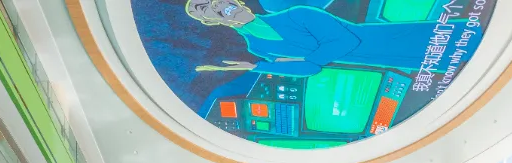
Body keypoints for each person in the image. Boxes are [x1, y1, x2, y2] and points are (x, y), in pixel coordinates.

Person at [185, 1, 483, 80]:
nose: (219, 5)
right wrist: (255, 67)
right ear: (211, 21)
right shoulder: (257, 48)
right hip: (388, 57)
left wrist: (307, 58)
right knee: (467, 66)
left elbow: (343, 43)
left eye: (217, 0)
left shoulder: (298, 13)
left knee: (476, 45)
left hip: (402, 38)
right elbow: (310, 70)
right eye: (209, 9)